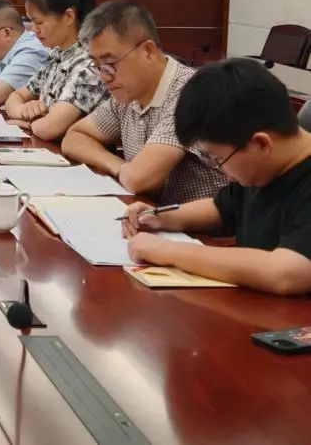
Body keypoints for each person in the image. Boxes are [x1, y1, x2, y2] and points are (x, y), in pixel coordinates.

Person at [122, 59, 311, 296]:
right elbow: (221, 208)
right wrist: (160, 217)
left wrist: (167, 251)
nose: (220, 169)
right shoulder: (266, 168)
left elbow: (287, 273)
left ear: (261, 143)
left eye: (218, 159)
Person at [62, 0, 228, 203]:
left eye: (109, 63)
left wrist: (128, 172)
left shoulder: (189, 93)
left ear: (148, 51)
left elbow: (138, 178)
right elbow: (74, 137)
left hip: (197, 222)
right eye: (97, 66)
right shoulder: (126, 94)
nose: (104, 76)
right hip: (149, 214)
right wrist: (119, 166)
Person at [4, 0, 107, 141]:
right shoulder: (57, 54)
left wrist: (30, 121)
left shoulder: (89, 63)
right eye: (31, 22)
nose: (34, 30)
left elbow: (50, 128)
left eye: (39, 22)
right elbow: (15, 97)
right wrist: (23, 111)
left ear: (69, 16)